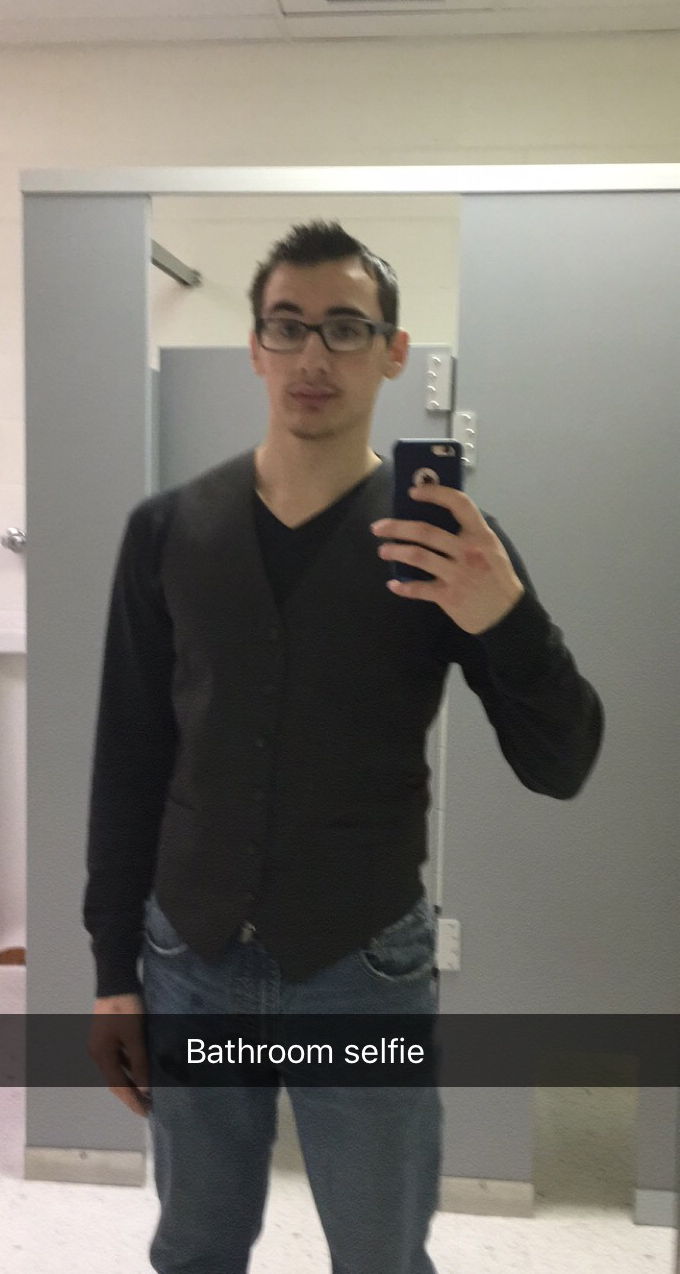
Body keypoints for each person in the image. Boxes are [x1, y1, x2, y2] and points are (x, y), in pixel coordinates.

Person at [84, 220, 604, 1273]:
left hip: (362, 964)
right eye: (287, 326)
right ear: (255, 347)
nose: (313, 354)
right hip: (189, 957)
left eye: (345, 327)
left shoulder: (448, 544)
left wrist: (505, 617)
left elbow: (564, 761)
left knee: (380, 1252)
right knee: (194, 1248)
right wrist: (110, 972)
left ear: (393, 352)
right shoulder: (168, 531)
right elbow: (129, 759)